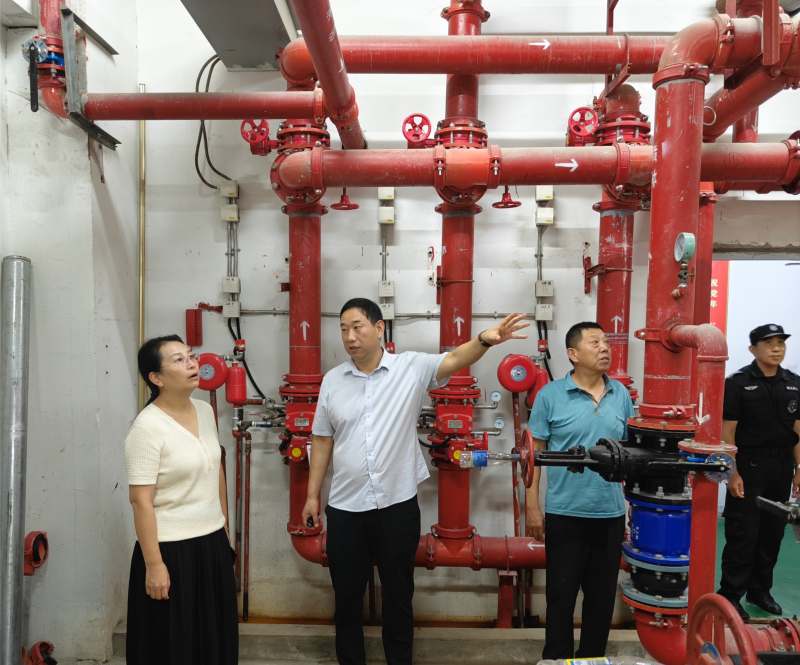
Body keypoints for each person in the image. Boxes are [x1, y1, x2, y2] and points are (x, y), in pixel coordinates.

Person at [302, 298, 528, 665]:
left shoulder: (409, 367)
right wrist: (312, 495)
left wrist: (485, 340)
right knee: (346, 602)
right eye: (343, 330)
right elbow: (322, 439)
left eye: (357, 327)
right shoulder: (332, 381)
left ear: (379, 329)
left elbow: (454, 359)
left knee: (398, 598)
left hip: (396, 506)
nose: (350, 337)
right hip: (345, 508)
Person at [125, 335, 238, 665]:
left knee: (214, 640)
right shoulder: (146, 428)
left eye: (190, 356)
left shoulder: (204, 411)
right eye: (178, 360)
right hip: (171, 551)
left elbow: (216, 469)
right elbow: (140, 502)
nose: (191, 363)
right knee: (176, 646)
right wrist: (154, 565)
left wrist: (224, 527)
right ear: (156, 378)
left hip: (212, 543)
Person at [525, 322, 634, 660]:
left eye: (606, 342)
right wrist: (532, 507)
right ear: (573, 354)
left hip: (610, 514)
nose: (605, 348)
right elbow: (534, 456)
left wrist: (632, 509)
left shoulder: (621, 394)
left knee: (601, 600)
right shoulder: (550, 396)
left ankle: (592, 659)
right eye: (594, 342)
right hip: (565, 512)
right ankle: (557, 659)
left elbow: (629, 455)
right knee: (560, 597)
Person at [718, 323, 800, 621]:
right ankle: (730, 595)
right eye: (769, 343)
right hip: (749, 468)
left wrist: (799, 469)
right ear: (753, 349)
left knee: (772, 532)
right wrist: (732, 473)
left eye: (781, 343)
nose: (777, 348)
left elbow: (797, 430)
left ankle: (760, 591)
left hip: (782, 467)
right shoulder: (737, 383)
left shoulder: (794, 383)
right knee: (743, 533)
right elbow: (727, 432)